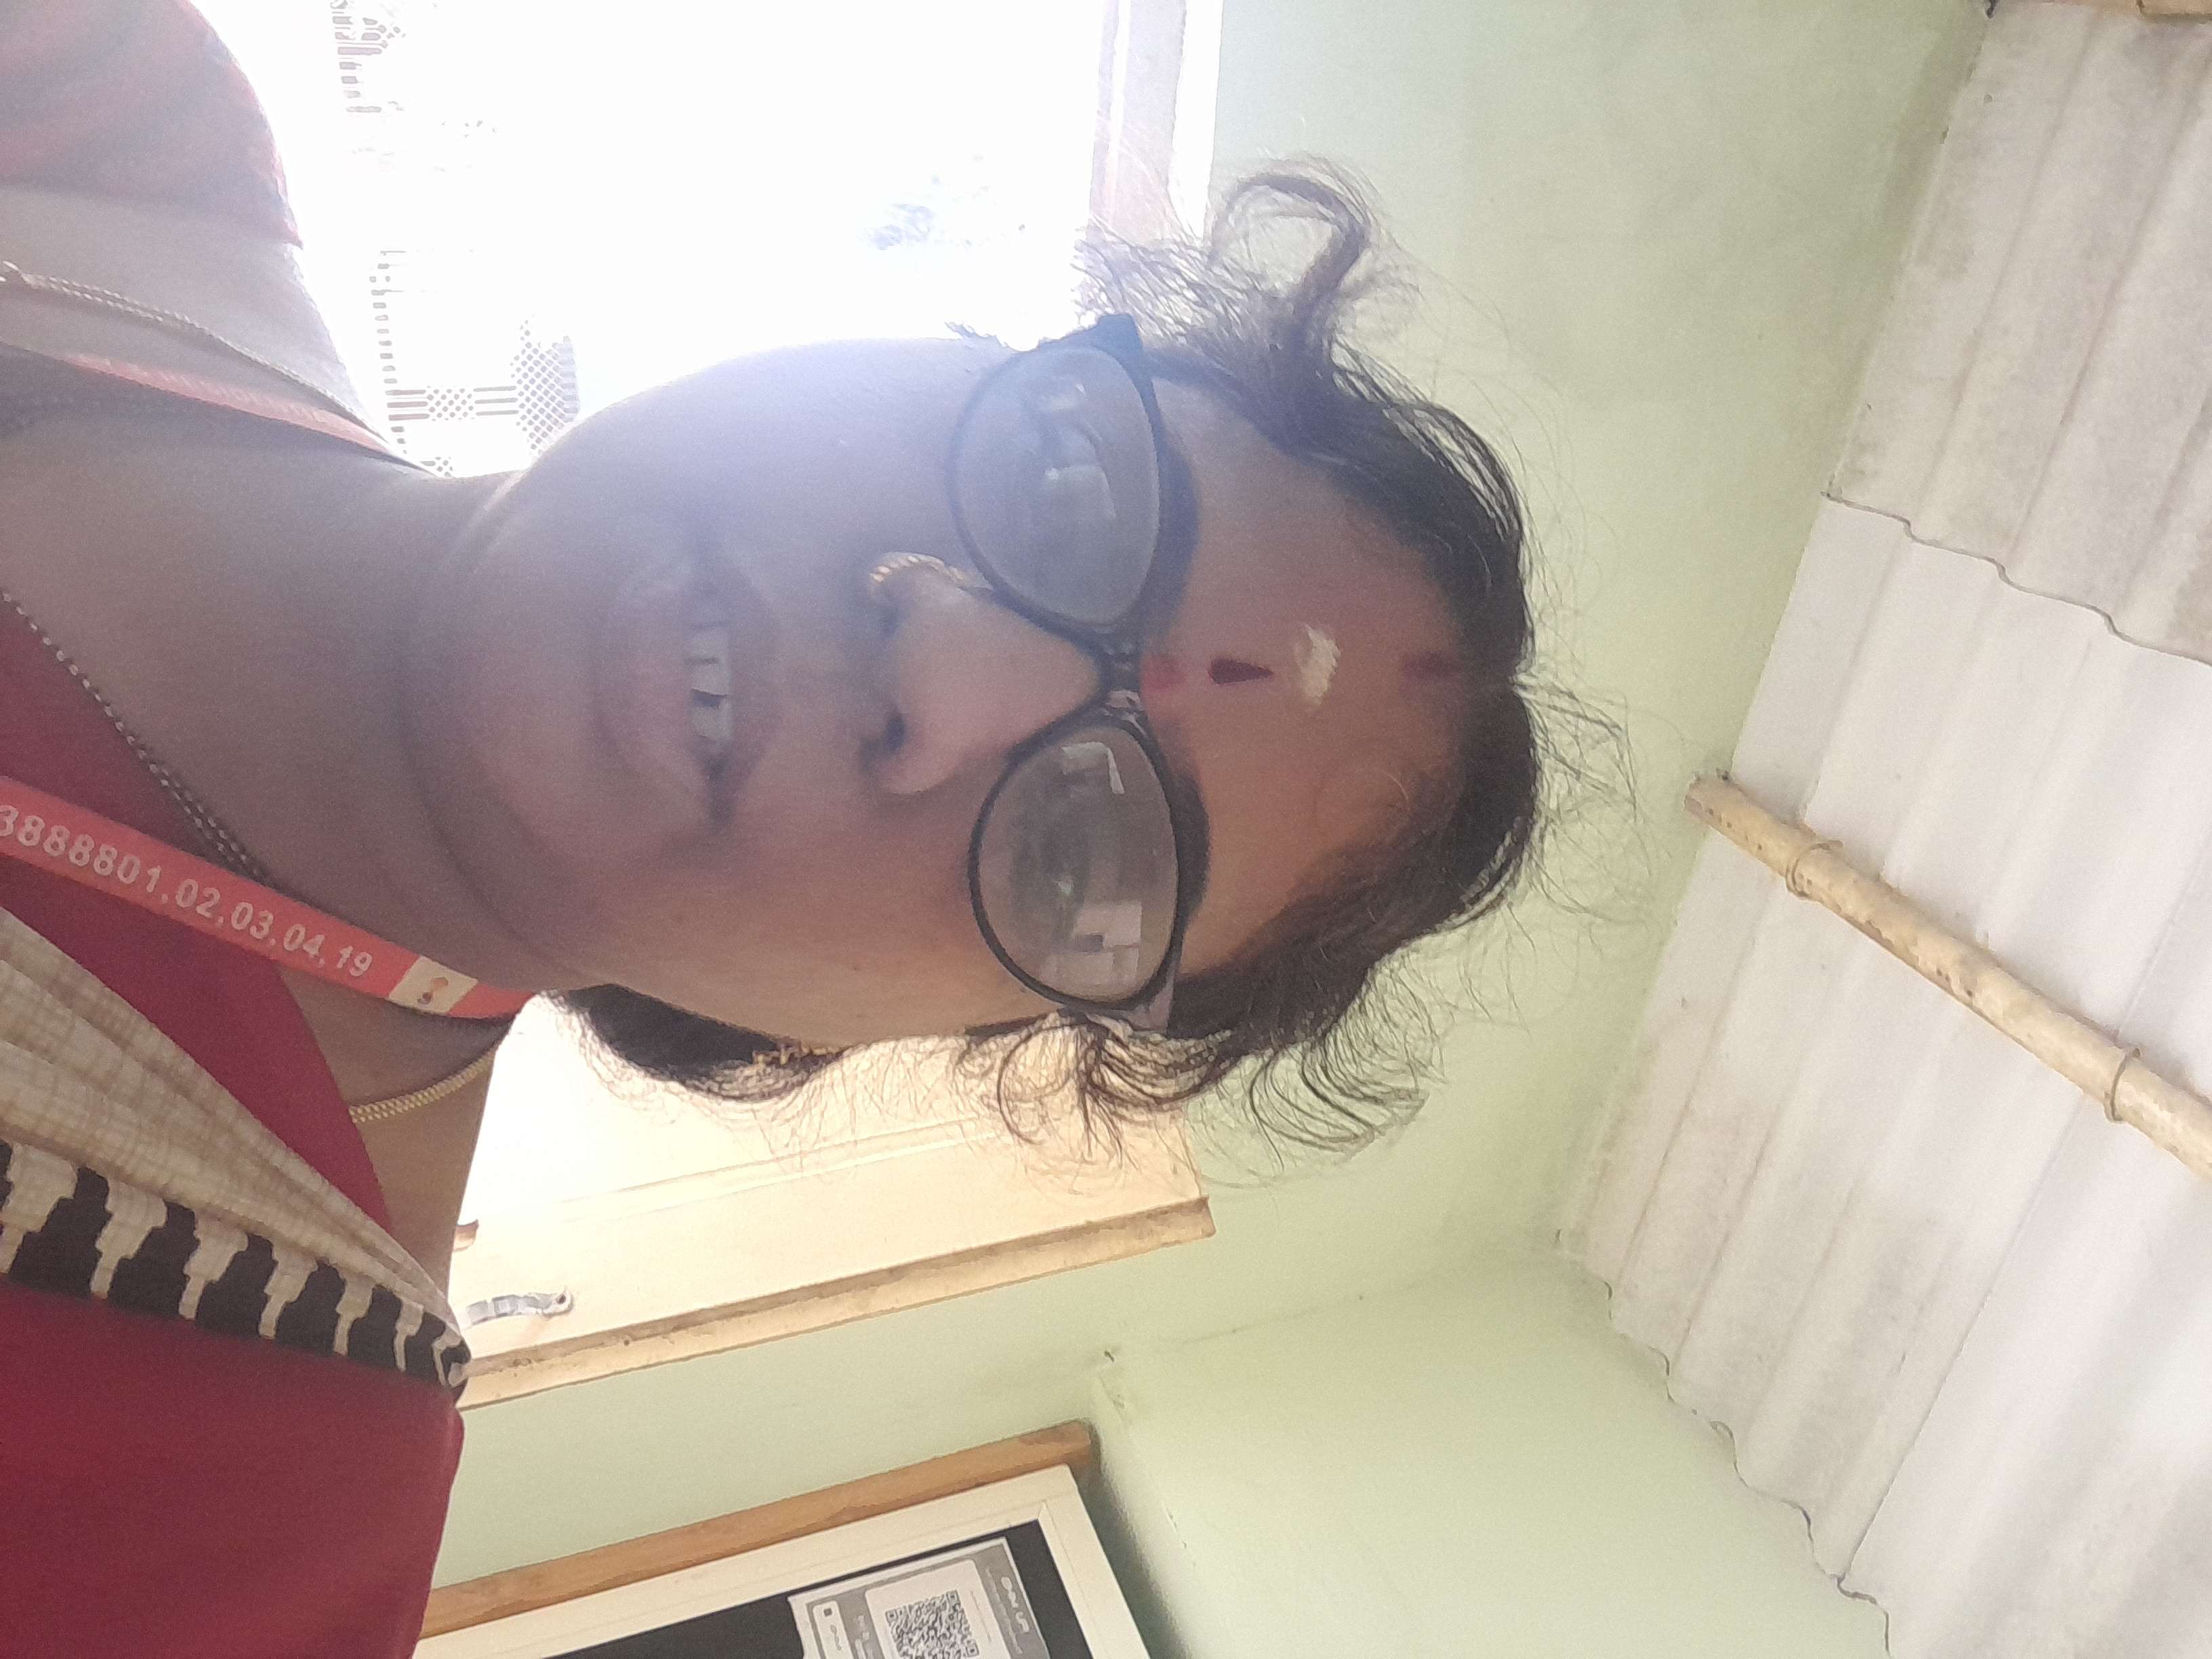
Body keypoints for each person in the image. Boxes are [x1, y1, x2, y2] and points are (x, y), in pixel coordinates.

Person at [0, 3, 1538, 1653]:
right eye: (1073, 483)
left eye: (1084, 863)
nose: (947, 670)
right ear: (957, 340)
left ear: (919, 1029)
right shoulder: (101, 109)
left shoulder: (237, 1508)